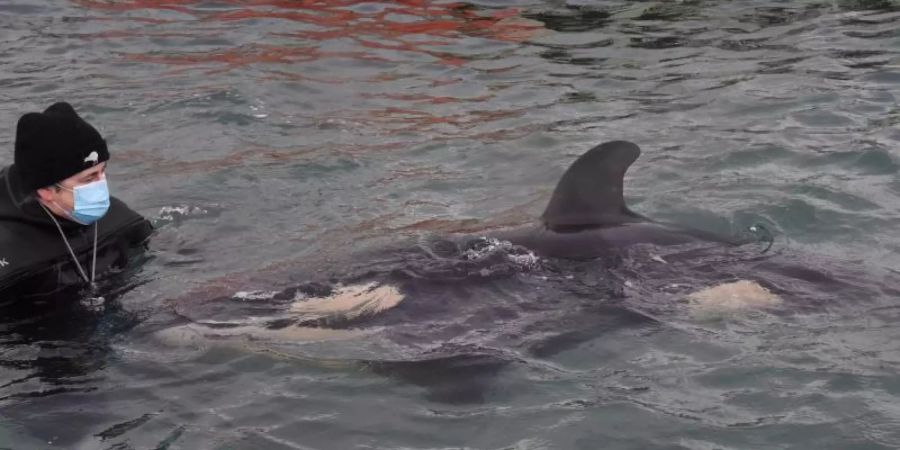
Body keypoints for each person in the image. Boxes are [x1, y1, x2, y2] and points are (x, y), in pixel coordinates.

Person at [0, 102, 152, 300]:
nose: (101, 185)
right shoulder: (9, 255)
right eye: (89, 179)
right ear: (46, 190)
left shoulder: (120, 218)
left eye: (102, 172)